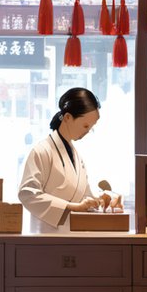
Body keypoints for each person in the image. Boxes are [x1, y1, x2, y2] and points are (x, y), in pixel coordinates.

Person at [17, 87, 111, 235]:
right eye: (85, 125)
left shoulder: (76, 156)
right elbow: (27, 194)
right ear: (67, 118)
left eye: (91, 127)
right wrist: (70, 207)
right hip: (45, 236)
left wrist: (100, 199)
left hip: (74, 234)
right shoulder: (42, 151)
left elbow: (83, 195)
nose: (87, 131)